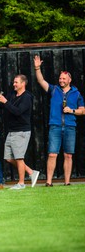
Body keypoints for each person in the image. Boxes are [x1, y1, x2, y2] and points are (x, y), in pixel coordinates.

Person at [34, 55, 84, 186]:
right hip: (55, 126)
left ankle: (67, 182)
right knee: (52, 154)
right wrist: (37, 68)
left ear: (69, 80)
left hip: (70, 126)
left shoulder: (77, 94)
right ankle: (49, 182)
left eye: (63, 78)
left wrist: (71, 111)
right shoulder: (54, 89)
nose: (61, 80)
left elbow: (82, 111)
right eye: (60, 78)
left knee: (68, 155)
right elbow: (41, 81)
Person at [0, 75, 40, 189]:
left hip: (21, 131)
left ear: (23, 83)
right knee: (8, 158)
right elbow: (4, 107)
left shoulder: (27, 97)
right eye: (14, 82)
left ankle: (21, 183)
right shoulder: (12, 94)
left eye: (16, 82)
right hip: (12, 131)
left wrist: (6, 101)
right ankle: (31, 172)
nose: (14, 84)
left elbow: (18, 111)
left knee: (19, 157)